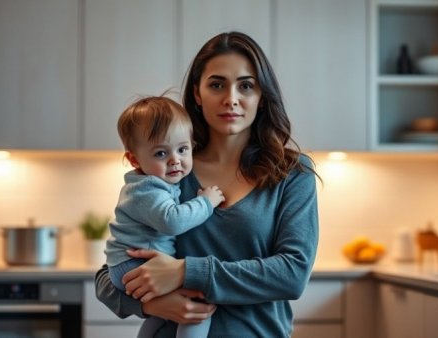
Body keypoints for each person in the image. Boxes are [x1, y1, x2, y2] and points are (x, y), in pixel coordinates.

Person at [95, 31, 319, 337]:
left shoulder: (292, 173)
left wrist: (186, 271)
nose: (231, 99)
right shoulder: (169, 170)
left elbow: (292, 275)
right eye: (217, 84)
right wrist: (151, 306)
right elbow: (109, 278)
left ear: (262, 96)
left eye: (246, 86)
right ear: (198, 94)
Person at [105, 95, 225, 338]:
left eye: (183, 149)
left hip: (128, 264)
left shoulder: (155, 184)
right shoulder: (147, 189)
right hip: (134, 266)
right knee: (199, 303)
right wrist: (206, 202)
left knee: (164, 312)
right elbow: (173, 221)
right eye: (161, 154)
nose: (175, 161)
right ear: (134, 159)